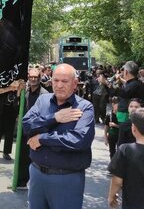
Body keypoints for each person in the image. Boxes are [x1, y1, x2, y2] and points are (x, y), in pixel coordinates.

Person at [22, 63, 95, 209]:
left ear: (75, 84)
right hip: (37, 175)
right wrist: (54, 117)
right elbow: (27, 125)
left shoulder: (84, 108)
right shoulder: (43, 100)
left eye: (65, 81)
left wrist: (42, 139)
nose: (59, 85)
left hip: (67, 179)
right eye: (56, 80)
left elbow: (78, 140)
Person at [17, 67, 48, 189]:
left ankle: (36, 183)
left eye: (36, 77)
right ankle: (21, 181)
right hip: (25, 130)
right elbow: (18, 107)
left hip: (37, 130)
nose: (33, 79)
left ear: (39, 78)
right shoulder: (25, 92)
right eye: (31, 77)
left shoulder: (45, 95)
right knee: (23, 156)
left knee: (36, 158)